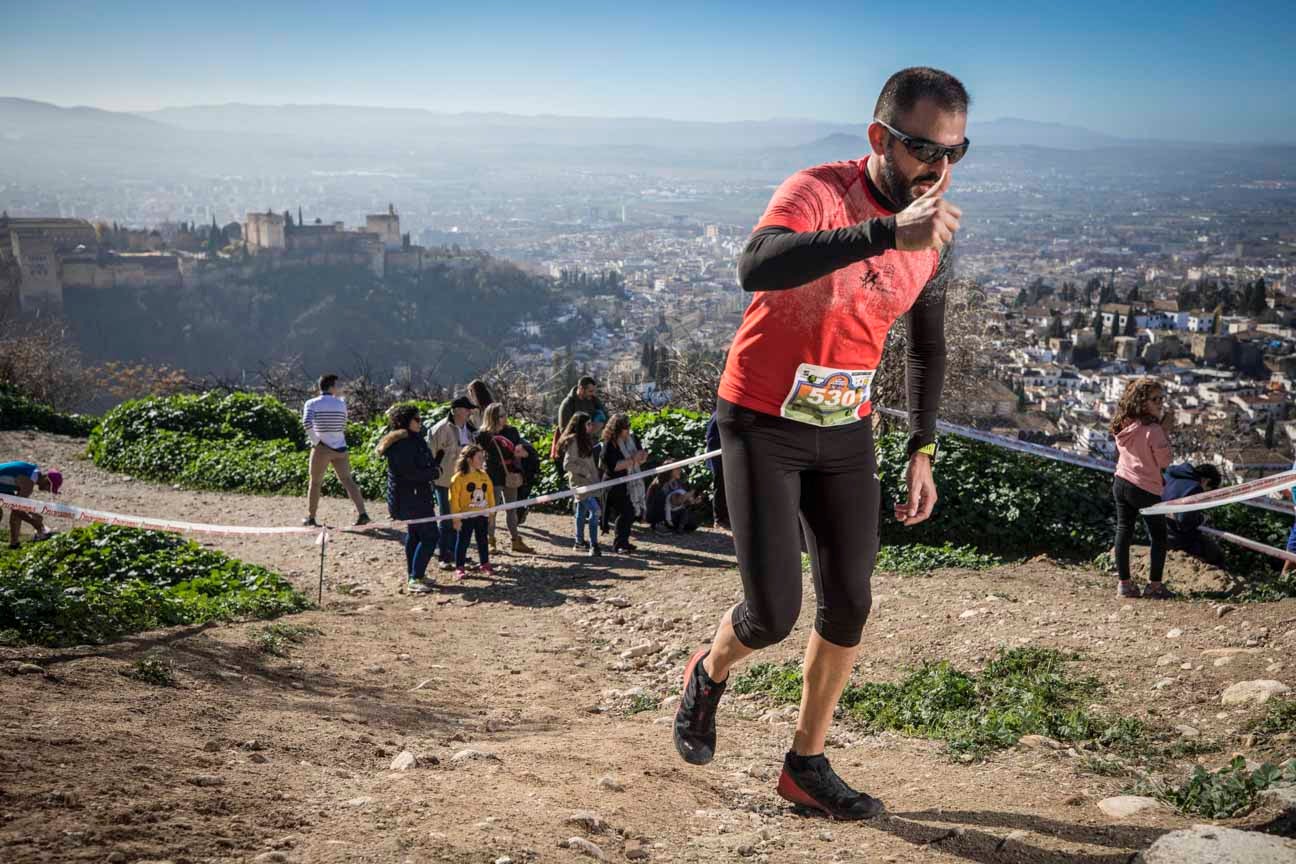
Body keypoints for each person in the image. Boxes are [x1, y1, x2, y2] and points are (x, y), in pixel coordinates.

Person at [673, 67, 968, 820]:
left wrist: (922, 448)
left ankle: (805, 763)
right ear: (879, 139)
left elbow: (927, 349)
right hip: (761, 421)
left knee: (849, 606)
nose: (937, 169)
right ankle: (708, 671)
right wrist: (879, 232)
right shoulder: (817, 190)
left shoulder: (933, 234)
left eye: (955, 154)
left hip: (845, 431)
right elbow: (755, 265)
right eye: (923, 150)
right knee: (770, 615)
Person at [1111, 377, 1174, 599]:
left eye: (1161, 398)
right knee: (1158, 536)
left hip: (1121, 481)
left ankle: (1124, 585)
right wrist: (1165, 430)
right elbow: (1165, 461)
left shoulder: (1123, 422)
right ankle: (1155, 586)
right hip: (1145, 487)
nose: (1160, 403)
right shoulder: (1153, 430)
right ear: (1142, 401)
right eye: (1155, 399)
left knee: (1123, 530)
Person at [376, 404, 441, 594]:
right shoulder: (402, 444)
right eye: (417, 419)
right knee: (431, 536)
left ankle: (414, 574)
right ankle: (415, 578)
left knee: (415, 534)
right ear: (406, 421)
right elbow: (409, 473)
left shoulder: (414, 439)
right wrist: (434, 472)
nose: (421, 423)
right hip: (411, 497)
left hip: (417, 495)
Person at [302, 374, 370, 528]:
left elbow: (306, 423)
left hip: (322, 448)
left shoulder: (311, 403)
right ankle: (363, 513)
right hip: (341, 447)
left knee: (315, 482)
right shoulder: (341, 404)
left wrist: (317, 442)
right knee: (348, 481)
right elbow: (343, 424)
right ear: (331, 387)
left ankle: (311, 517)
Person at [478, 403, 535, 554]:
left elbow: (519, 449)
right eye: (501, 415)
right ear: (493, 417)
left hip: (510, 473)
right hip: (492, 474)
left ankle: (515, 540)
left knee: (512, 508)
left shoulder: (512, 431)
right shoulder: (483, 435)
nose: (505, 418)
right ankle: (490, 541)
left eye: (505, 414)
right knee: (493, 510)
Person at [427, 396, 477, 569]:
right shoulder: (440, 429)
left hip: (465, 481)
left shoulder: (470, 429)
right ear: (456, 410)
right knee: (447, 519)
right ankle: (445, 556)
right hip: (444, 481)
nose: (470, 411)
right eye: (467, 408)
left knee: (462, 518)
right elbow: (430, 455)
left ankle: (458, 554)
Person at [1162, 462, 1227, 569]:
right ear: (1206, 481)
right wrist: (1201, 519)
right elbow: (1184, 521)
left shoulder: (1170, 475)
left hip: (1156, 532)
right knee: (1216, 554)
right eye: (1209, 490)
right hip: (1174, 538)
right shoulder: (1195, 488)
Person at [600, 413, 648, 554]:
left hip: (632, 481)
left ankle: (624, 541)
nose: (628, 430)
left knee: (631, 511)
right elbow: (613, 466)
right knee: (625, 512)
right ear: (617, 429)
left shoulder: (633, 438)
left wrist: (643, 456)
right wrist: (633, 460)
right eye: (625, 427)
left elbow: (640, 458)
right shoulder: (610, 444)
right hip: (615, 484)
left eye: (629, 426)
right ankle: (619, 543)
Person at [558, 411, 602, 556]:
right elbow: (567, 464)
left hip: (590, 483)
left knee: (581, 512)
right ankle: (594, 545)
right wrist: (585, 472)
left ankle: (579, 542)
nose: (591, 426)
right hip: (580, 484)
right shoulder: (574, 441)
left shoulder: (585, 439)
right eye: (588, 424)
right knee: (595, 511)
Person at [450, 444, 494, 579]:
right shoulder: (458, 478)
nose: (482, 461)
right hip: (465, 516)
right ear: (469, 460)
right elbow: (453, 499)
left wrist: (491, 513)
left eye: (483, 458)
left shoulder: (484, 476)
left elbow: (490, 494)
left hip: (482, 514)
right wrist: (456, 519)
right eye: (479, 458)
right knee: (463, 541)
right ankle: (459, 567)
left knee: (482, 540)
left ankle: (485, 563)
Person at [0, 461, 62, 549]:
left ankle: (14, 544)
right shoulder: (28, 483)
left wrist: (31, 513)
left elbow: (18, 505)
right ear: (46, 479)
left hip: (3, 486)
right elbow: (16, 509)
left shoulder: (31, 472)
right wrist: (34, 523)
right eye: (50, 487)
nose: (48, 491)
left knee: (17, 511)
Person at [550, 376, 607, 466]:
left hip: (594, 445)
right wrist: (586, 431)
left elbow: (606, 416)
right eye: (590, 391)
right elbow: (564, 431)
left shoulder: (593, 400)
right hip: (577, 450)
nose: (592, 394)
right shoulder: (568, 404)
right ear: (581, 389)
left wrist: (599, 426)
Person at [648, 467, 700, 534]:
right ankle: (659, 524)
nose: (680, 471)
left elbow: (681, 503)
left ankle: (677, 527)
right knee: (661, 497)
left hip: (675, 511)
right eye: (677, 469)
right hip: (663, 513)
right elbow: (668, 502)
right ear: (669, 471)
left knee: (692, 523)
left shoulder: (677, 482)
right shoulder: (659, 484)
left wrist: (693, 501)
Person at [705, 412, 728, 529]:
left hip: (727, 459)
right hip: (718, 460)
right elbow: (711, 439)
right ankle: (719, 519)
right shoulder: (718, 416)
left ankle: (726, 518)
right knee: (720, 488)